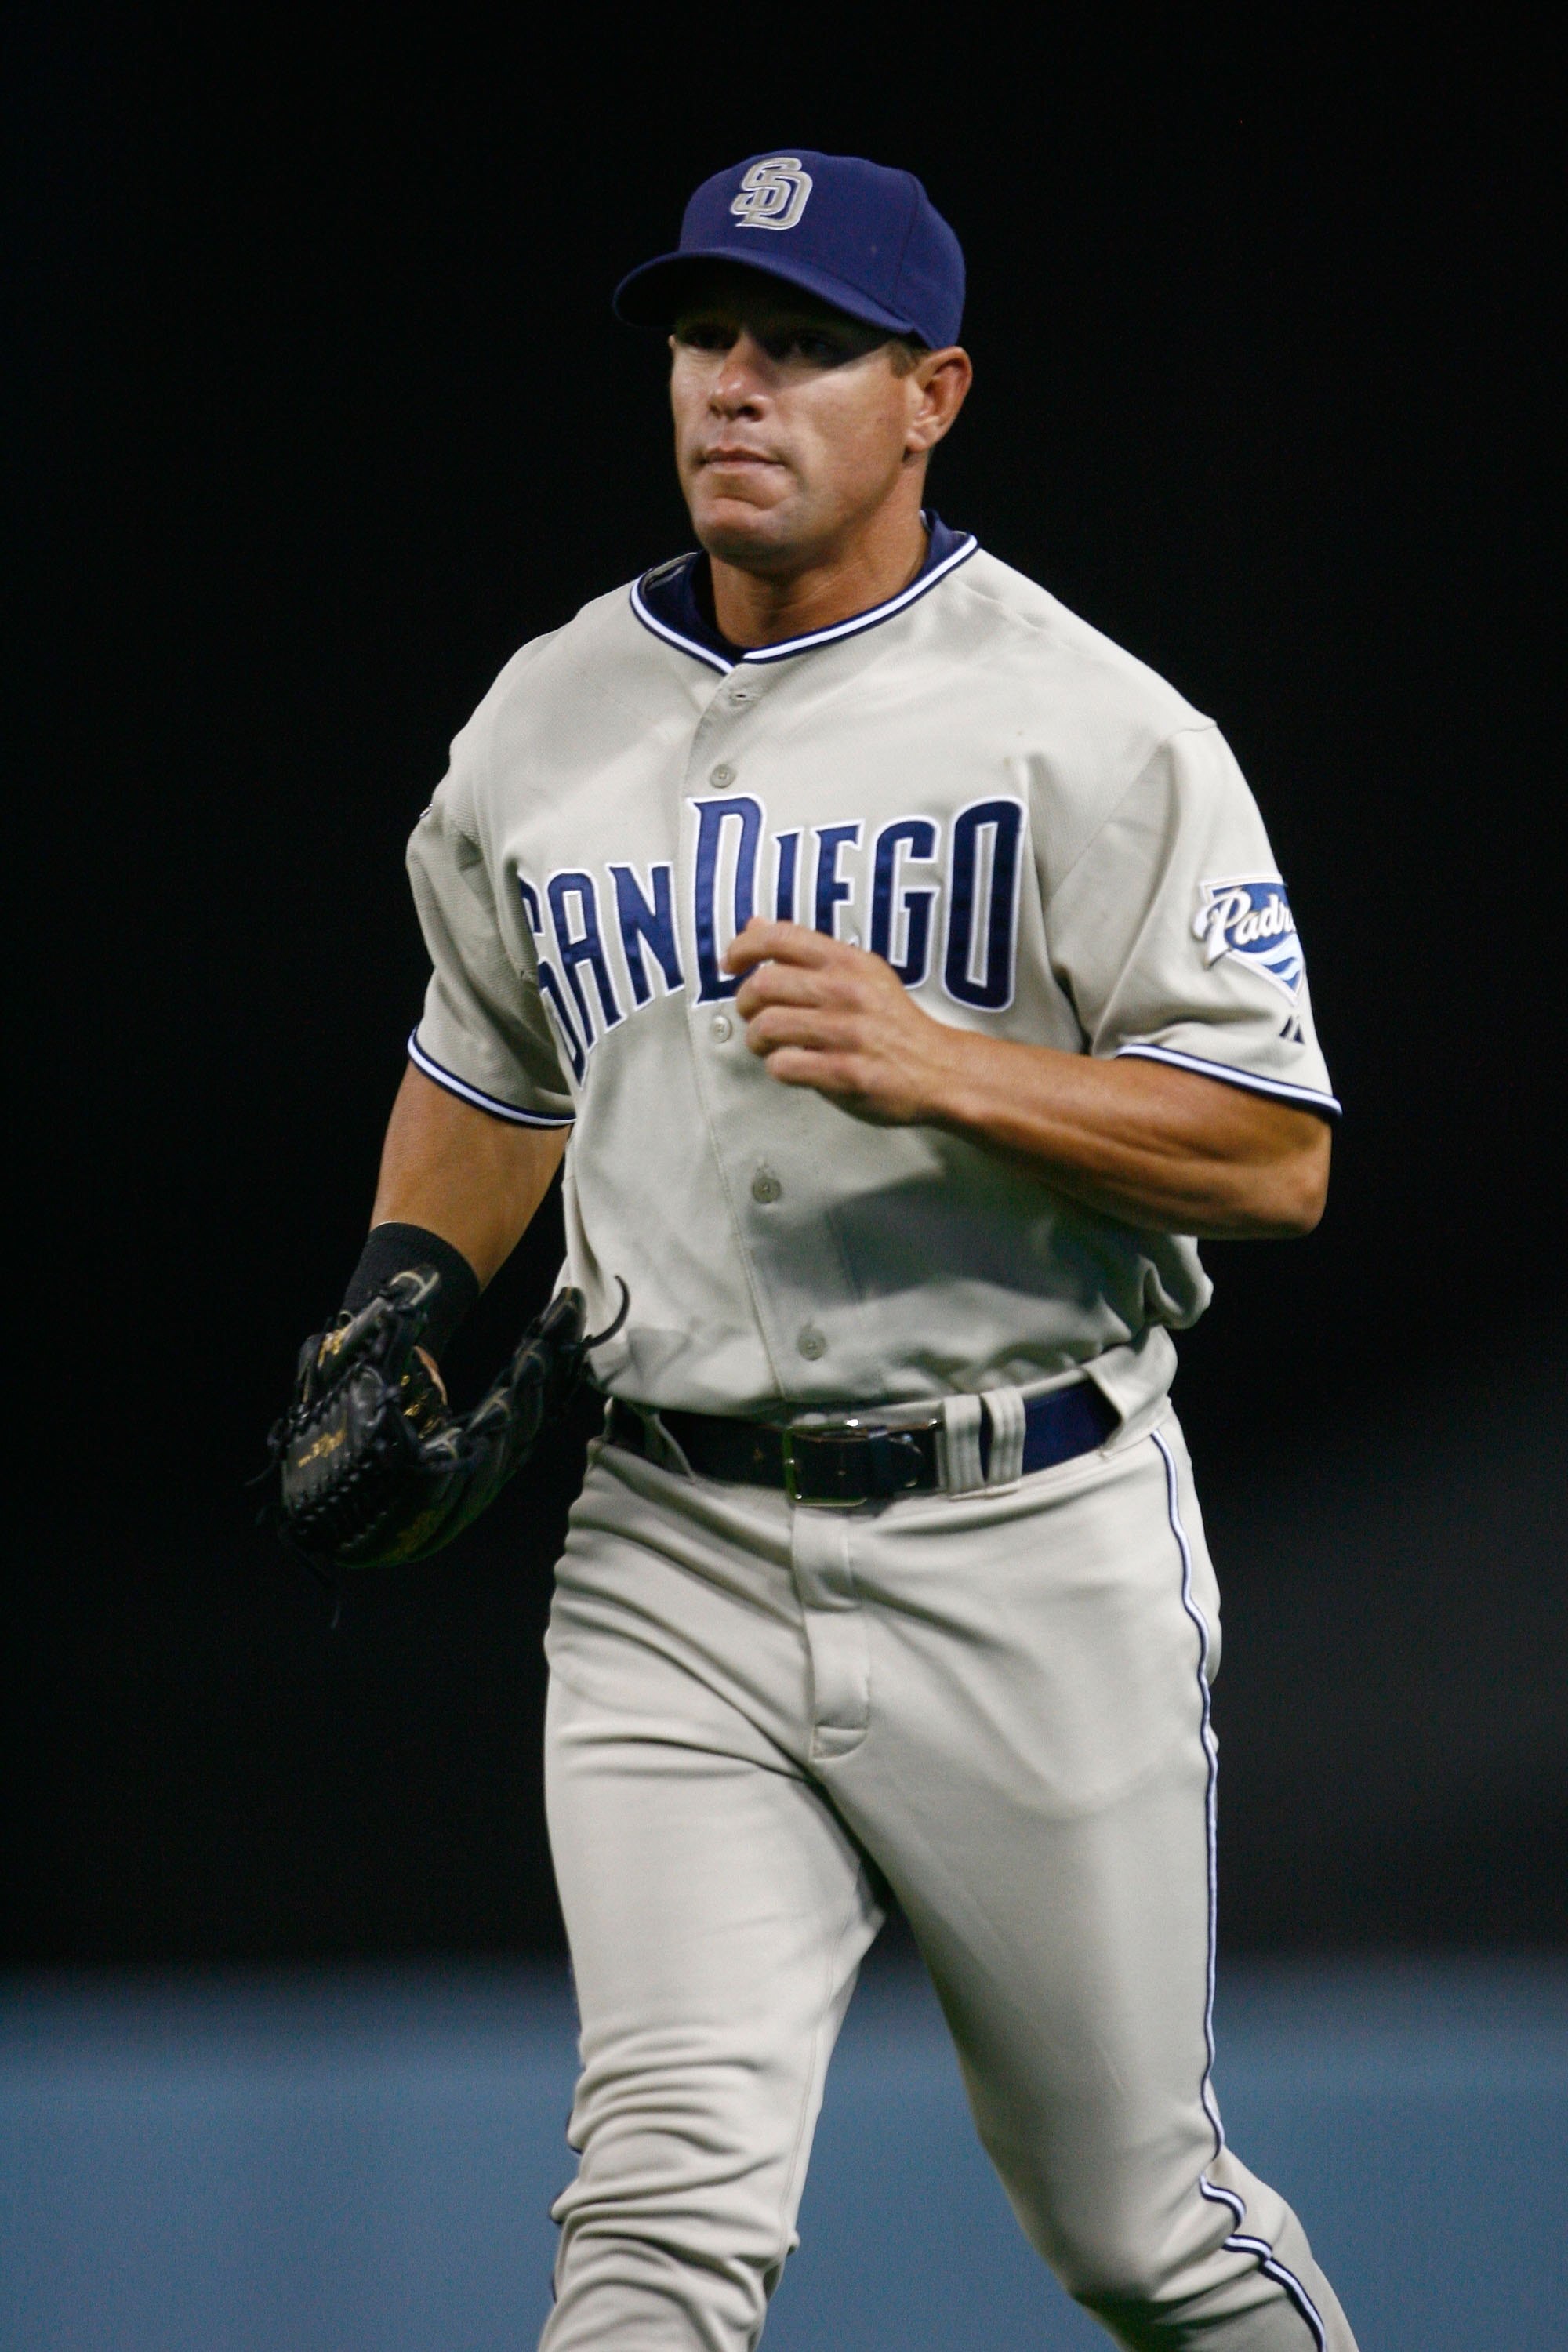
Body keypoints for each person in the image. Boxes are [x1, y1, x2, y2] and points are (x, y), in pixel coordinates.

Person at [334, 150, 1356, 2349]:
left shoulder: (1092, 724)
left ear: (934, 395)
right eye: (710, 339)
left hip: (1032, 1530)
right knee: (655, 2221)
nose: (739, 386)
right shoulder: (544, 714)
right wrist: (402, 1300)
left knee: (1141, 2233)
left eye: (807, 346)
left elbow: (1277, 1155)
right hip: (669, 1549)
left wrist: (953, 1067)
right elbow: (491, 1071)